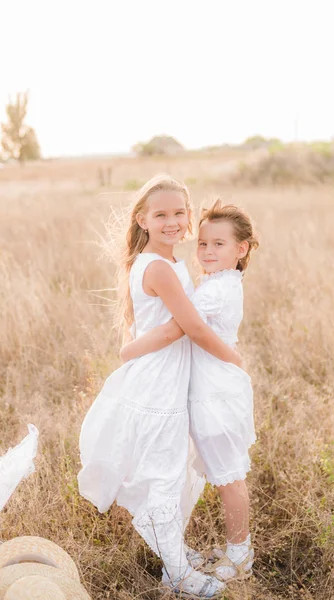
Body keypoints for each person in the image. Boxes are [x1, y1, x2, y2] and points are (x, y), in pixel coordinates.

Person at [78, 176, 243, 597]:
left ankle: (177, 555)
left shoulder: (164, 263)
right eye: (161, 214)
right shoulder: (158, 267)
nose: (173, 221)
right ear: (142, 219)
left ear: (188, 215)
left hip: (166, 377)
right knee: (165, 476)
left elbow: (164, 324)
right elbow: (190, 328)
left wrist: (135, 347)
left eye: (179, 213)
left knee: (168, 470)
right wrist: (234, 358)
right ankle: (177, 574)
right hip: (160, 384)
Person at [120, 198, 259, 582]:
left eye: (219, 244)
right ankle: (235, 548)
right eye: (204, 243)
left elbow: (182, 326)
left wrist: (128, 350)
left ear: (241, 248)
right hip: (210, 389)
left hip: (215, 393)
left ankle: (240, 556)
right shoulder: (220, 282)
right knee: (223, 473)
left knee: (229, 476)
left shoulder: (215, 291)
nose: (208, 251)